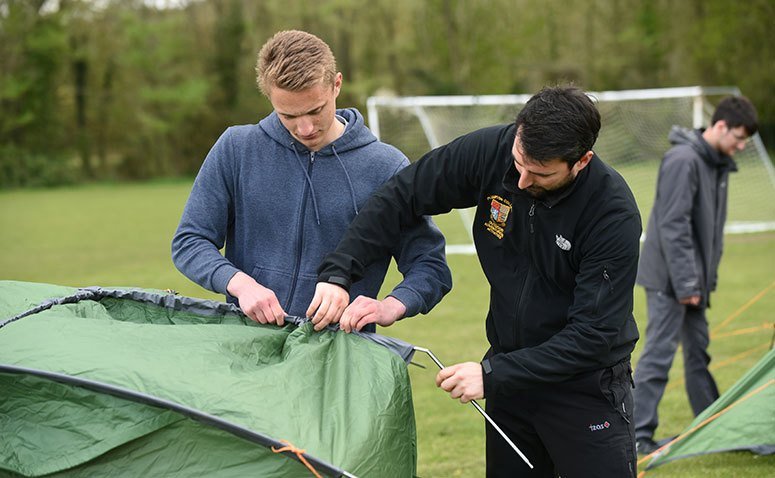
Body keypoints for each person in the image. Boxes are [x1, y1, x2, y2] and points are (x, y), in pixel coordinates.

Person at [314, 85, 642, 477]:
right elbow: (401, 196)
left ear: (581, 161)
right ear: (518, 130)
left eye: (540, 174)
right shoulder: (493, 151)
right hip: (510, 389)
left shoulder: (611, 214)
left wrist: (491, 376)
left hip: (584, 390)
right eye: (519, 162)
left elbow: (592, 336)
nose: (520, 181)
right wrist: (338, 273)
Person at [172, 30, 451, 332]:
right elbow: (190, 241)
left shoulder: (385, 166)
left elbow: (430, 266)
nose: (304, 128)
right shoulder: (237, 148)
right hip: (245, 347)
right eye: (288, 115)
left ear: (337, 85)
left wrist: (389, 306)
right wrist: (240, 284)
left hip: (338, 356)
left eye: (315, 110)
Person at [632, 96, 759, 455]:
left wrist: (701, 281)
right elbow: (674, 225)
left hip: (691, 280)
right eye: (739, 136)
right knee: (659, 355)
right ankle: (637, 435)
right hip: (669, 279)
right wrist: (688, 283)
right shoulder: (683, 160)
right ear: (720, 126)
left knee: (698, 353)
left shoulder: (717, 163)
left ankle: (711, 426)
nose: (742, 145)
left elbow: (709, 229)